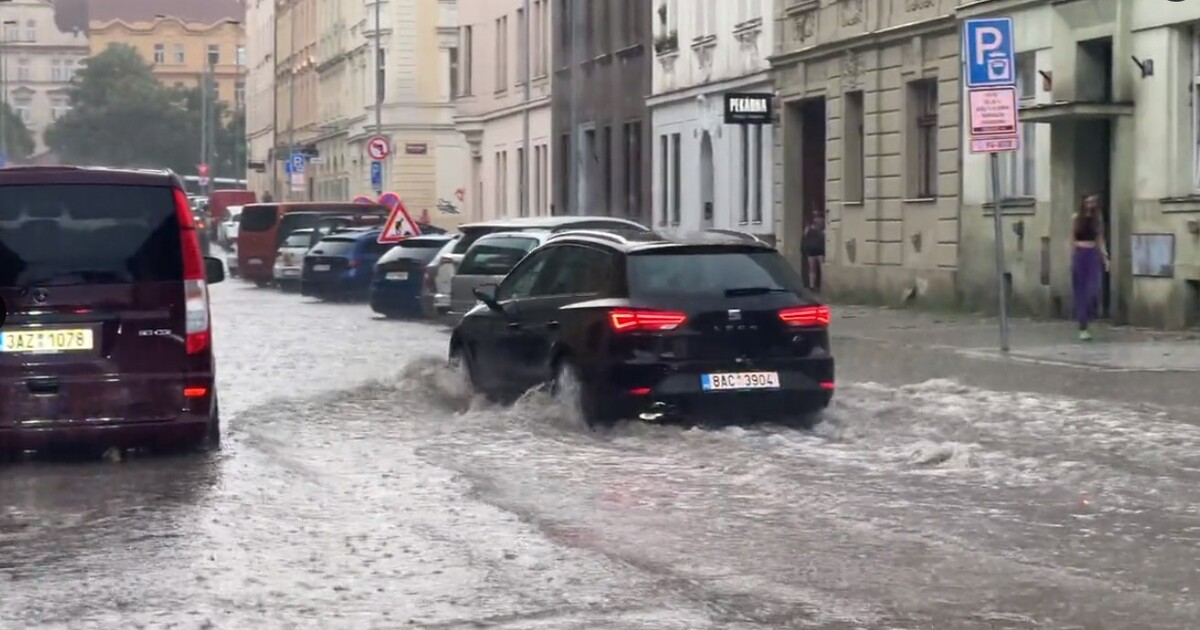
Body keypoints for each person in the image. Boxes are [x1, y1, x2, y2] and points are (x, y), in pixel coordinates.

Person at [1071, 193, 1109, 341]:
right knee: (1080, 292)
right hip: (1080, 254)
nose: (1090, 205)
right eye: (1088, 202)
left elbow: (1100, 239)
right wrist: (1072, 258)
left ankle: (1088, 315)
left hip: (1092, 254)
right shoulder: (1075, 218)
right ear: (1083, 203)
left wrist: (1105, 257)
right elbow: (1072, 239)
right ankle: (1083, 326)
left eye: (1093, 202)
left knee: (1092, 289)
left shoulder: (1097, 220)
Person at [802, 211, 825, 292]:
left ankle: (813, 286)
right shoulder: (822, 230)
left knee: (812, 269)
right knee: (820, 268)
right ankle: (818, 285)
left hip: (812, 251)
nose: (817, 220)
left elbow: (805, 237)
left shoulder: (808, 228)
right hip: (818, 250)